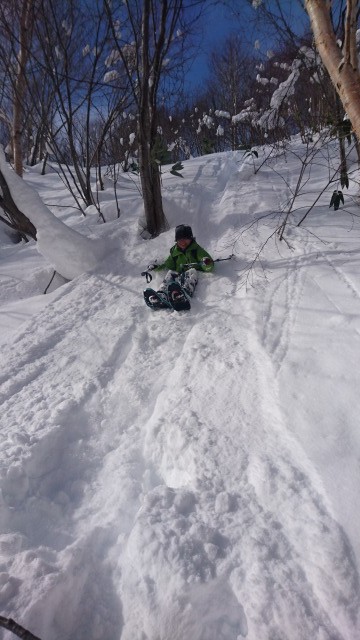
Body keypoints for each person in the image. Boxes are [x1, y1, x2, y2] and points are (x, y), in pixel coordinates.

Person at [147, 224, 214, 306]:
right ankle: (162, 294)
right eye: (179, 240)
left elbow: (209, 266)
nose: (182, 242)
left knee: (191, 271)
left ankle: (184, 292)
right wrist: (157, 267)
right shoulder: (175, 252)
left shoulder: (196, 250)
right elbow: (168, 265)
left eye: (185, 239)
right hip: (179, 276)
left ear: (190, 238)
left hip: (192, 276)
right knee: (171, 273)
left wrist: (207, 263)